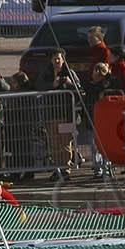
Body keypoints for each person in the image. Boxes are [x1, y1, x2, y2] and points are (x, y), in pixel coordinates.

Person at [31, 49, 79, 180]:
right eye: (54, 59)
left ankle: (66, 168)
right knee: (54, 143)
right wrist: (52, 84)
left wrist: (69, 83)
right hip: (51, 114)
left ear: (63, 59)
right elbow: (39, 86)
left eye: (59, 58)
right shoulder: (46, 73)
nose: (57, 61)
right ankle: (58, 168)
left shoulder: (70, 73)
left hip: (65, 114)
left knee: (65, 143)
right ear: (51, 60)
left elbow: (79, 90)